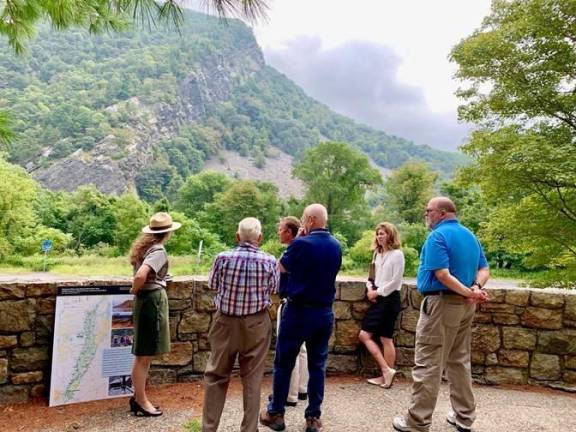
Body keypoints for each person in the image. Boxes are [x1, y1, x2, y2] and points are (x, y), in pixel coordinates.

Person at [393, 197, 490, 432]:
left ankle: (417, 421)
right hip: (466, 307)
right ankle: (464, 417)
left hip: (442, 304)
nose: (426, 215)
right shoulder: (470, 236)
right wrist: (476, 289)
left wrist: (471, 291)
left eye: (429, 211)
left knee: (428, 363)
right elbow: (484, 269)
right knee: (459, 361)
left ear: (443, 213)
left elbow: (442, 275)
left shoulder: (437, 236)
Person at [260, 203, 342, 432]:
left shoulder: (300, 244)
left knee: (284, 363)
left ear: (311, 220)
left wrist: (297, 243)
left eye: (305, 219)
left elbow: (280, 269)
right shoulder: (336, 245)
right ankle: (313, 417)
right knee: (317, 365)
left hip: (298, 311)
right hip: (324, 311)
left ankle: (276, 413)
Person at [202, 217, 279, 432]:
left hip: (225, 322)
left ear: (237, 237)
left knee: (216, 375)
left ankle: (209, 428)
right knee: (252, 378)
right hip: (256, 324)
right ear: (260, 238)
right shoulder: (270, 261)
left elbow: (213, 285)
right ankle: (249, 429)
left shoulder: (222, 257)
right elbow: (273, 289)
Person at [128, 211, 181, 417]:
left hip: (144, 300)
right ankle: (141, 401)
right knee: (144, 356)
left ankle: (138, 397)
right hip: (151, 301)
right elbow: (142, 274)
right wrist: (135, 288)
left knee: (142, 353)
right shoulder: (158, 250)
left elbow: (145, 273)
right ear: (168, 233)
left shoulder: (145, 248)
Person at [269, 216, 309, 407]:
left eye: (281, 229)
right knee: (302, 349)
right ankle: (302, 388)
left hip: (290, 303)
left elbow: (279, 268)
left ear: (289, 232)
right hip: (306, 304)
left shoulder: (294, 250)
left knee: (287, 350)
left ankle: (289, 395)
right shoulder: (307, 249)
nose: (278, 232)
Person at [359, 222, 404, 388]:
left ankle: (386, 372)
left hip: (389, 299)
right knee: (381, 337)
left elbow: (395, 281)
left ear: (390, 235)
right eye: (378, 234)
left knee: (380, 337)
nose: (379, 237)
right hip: (378, 297)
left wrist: (376, 293)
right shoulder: (377, 254)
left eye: (383, 234)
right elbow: (371, 276)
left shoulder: (397, 255)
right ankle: (387, 373)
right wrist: (370, 288)